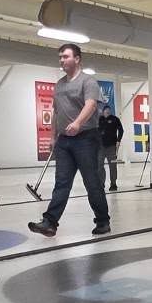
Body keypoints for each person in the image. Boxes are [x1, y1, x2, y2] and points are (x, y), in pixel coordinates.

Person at [28, 44, 111, 237]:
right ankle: (50, 222)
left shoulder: (87, 82)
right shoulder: (59, 85)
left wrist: (77, 123)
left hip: (86, 139)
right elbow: (56, 112)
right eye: (60, 57)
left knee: (92, 183)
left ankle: (102, 221)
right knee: (62, 182)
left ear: (77, 59)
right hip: (64, 141)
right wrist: (52, 137)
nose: (62, 60)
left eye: (65, 56)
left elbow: (90, 105)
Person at [99, 108, 126, 192]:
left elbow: (121, 130)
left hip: (111, 147)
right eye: (106, 112)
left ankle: (113, 183)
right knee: (99, 166)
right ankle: (101, 183)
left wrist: (118, 140)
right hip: (100, 147)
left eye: (109, 112)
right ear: (103, 112)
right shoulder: (99, 119)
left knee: (113, 166)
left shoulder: (115, 119)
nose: (107, 113)